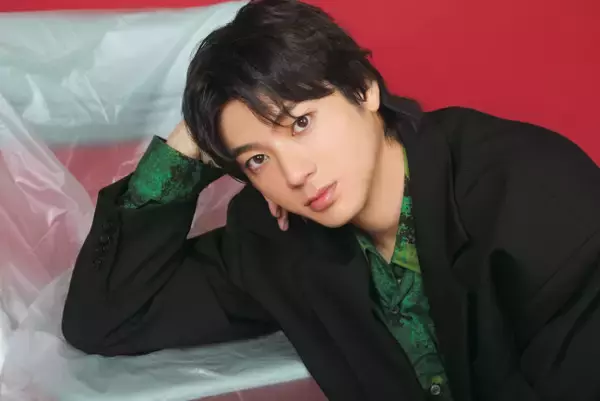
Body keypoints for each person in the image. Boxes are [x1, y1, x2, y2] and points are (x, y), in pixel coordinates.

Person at [61, 0, 600, 400]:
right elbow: (105, 318)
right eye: (258, 159)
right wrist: (189, 146)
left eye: (300, 123)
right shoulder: (276, 237)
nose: (295, 175)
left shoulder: (536, 193)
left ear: (363, 89)